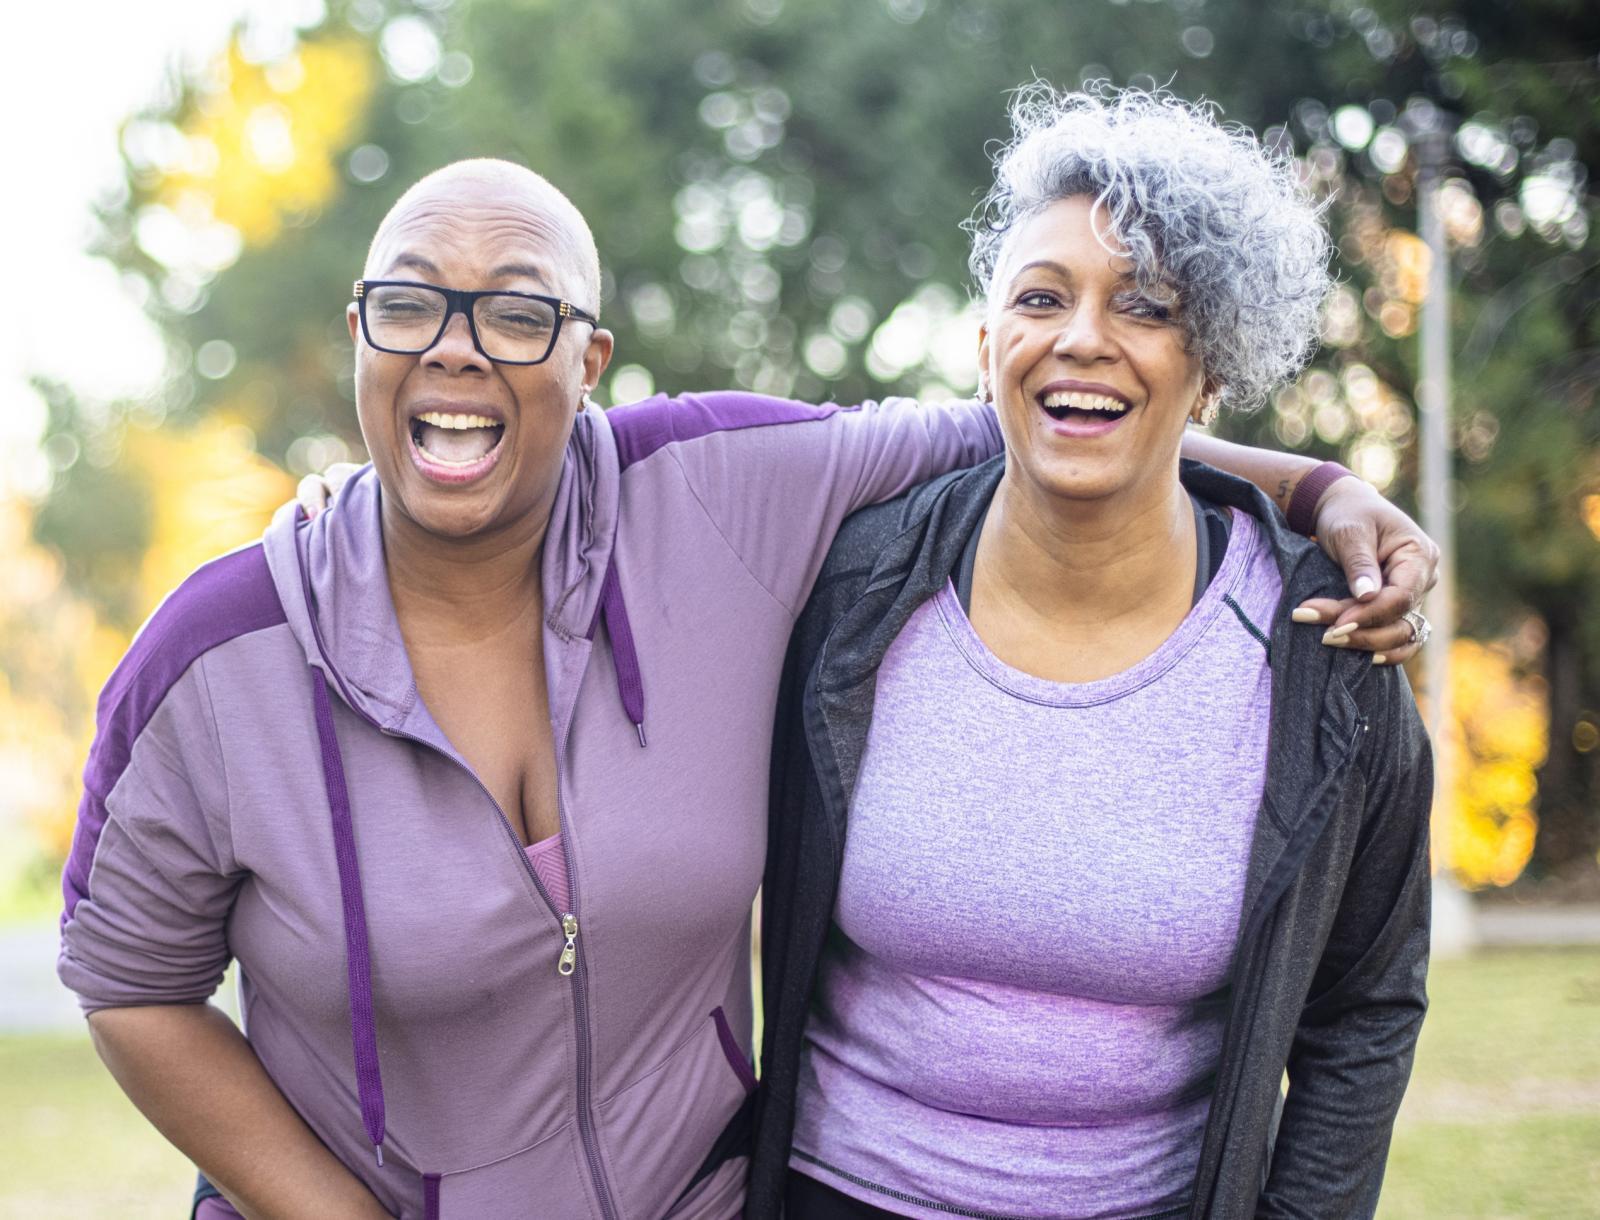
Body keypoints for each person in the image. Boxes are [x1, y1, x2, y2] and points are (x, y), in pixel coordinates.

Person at [58, 153, 1430, 1219]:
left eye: (519, 312)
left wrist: (1322, 484)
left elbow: (1046, 422)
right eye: (411, 302)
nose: (459, 345)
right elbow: (129, 982)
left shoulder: (720, 498)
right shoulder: (215, 657)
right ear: (361, 332)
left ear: (590, 361)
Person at [750, 86, 1433, 1220]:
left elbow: (1364, 1003)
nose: (1081, 336)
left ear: (1211, 366)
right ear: (987, 349)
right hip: (838, 1190)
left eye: (1146, 306)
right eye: (1041, 297)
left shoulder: (1326, 648)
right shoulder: (847, 590)